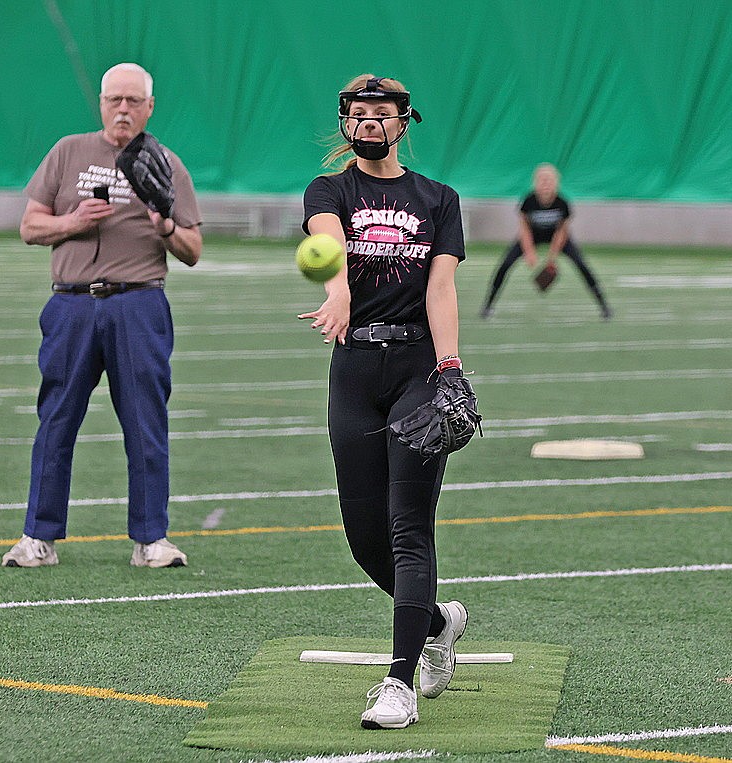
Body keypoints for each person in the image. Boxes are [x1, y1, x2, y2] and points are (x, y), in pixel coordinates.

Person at [298, 75, 471, 730]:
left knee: (408, 526)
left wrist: (449, 367)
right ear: (347, 123)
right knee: (364, 537)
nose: (370, 122)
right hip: (353, 368)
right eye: (359, 114)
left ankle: (398, 680)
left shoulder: (438, 198)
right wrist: (338, 288)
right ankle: (436, 622)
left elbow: (441, 289)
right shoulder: (331, 190)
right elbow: (326, 236)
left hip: (416, 369)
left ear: (405, 123)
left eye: (383, 114)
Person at [2, 62, 202, 568]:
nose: (123, 110)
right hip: (70, 302)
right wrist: (72, 220)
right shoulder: (69, 151)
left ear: (149, 108)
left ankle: (150, 539)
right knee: (57, 419)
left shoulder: (167, 163)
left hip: (138, 301)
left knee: (145, 422)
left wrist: (164, 226)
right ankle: (37, 538)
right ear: (101, 102)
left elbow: (193, 248)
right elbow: (29, 226)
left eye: (134, 101)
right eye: (115, 99)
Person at [480, 163, 611, 319]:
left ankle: (604, 306)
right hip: (533, 235)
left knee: (581, 264)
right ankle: (488, 306)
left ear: (556, 183)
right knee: (505, 264)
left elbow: (561, 232)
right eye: (542, 180)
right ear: (535, 183)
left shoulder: (562, 203)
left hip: (555, 236)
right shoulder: (528, 201)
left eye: (549, 180)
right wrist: (529, 252)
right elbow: (524, 228)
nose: (546, 185)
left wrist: (551, 258)